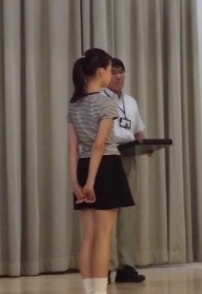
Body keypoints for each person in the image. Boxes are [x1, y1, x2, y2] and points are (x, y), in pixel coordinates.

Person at [67, 48, 135, 294]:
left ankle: (89, 291)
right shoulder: (106, 103)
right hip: (106, 167)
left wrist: (77, 183)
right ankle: (99, 291)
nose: (111, 74)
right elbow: (99, 144)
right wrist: (91, 183)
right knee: (104, 237)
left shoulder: (74, 105)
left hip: (84, 166)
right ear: (100, 72)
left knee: (88, 236)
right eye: (109, 69)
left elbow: (73, 148)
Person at [102, 58, 147, 283]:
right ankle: (104, 266)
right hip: (107, 157)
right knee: (108, 214)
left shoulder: (130, 101)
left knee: (128, 214)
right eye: (114, 72)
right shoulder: (99, 99)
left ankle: (126, 266)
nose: (119, 76)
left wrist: (148, 146)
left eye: (122, 72)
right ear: (105, 75)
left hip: (129, 158)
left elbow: (138, 132)